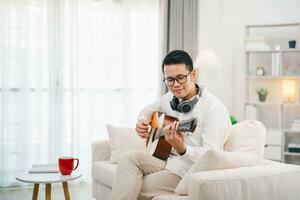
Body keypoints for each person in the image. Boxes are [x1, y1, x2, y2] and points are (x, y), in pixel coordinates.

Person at [111, 50, 231, 200]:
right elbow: (148, 109)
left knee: (133, 186)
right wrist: (142, 121)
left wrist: (183, 149)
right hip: (166, 158)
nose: (175, 85)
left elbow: (211, 157)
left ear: (193, 74)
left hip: (187, 171)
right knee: (127, 157)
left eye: (180, 78)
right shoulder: (170, 97)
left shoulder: (214, 109)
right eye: (170, 80)